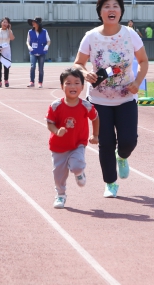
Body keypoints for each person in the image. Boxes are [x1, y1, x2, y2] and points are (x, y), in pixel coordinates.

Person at [74, 0, 148, 198]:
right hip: (98, 99)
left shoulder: (130, 34)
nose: (111, 9)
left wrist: (137, 82)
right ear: (100, 12)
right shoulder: (91, 36)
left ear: (121, 11)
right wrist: (84, 72)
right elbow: (78, 63)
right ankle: (110, 183)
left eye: (115, 6)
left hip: (126, 97)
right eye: (107, 6)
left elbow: (143, 61)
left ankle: (122, 156)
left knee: (128, 141)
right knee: (105, 142)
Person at [46, 68, 100, 209]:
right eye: (68, 83)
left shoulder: (86, 106)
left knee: (77, 165)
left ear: (82, 87)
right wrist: (57, 131)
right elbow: (50, 123)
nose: (72, 86)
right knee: (59, 175)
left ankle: (79, 173)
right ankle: (61, 195)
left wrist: (95, 135)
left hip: (77, 144)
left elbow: (95, 118)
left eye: (76, 83)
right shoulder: (55, 106)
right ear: (62, 86)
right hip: (58, 147)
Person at [26, 17, 50, 88]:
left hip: (41, 52)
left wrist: (47, 46)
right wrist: (28, 46)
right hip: (33, 52)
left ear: (38, 24)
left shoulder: (44, 31)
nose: (33, 23)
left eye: (35, 22)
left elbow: (49, 40)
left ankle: (40, 82)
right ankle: (31, 82)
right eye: (32, 22)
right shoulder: (30, 31)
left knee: (41, 68)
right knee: (32, 66)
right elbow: (27, 41)